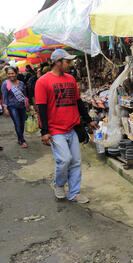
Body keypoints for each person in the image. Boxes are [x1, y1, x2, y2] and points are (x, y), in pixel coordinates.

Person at [35, 49, 99, 203]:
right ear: (57, 62)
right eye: (67, 62)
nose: (70, 64)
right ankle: (58, 184)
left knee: (76, 161)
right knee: (64, 160)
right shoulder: (42, 82)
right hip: (55, 129)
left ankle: (74, 193)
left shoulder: (70, 79)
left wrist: (88, 119)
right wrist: (44, 131)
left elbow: (78, 102)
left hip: (72, 127)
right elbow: (41, 108)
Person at [1, 66, 31, 148]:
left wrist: (28, 105)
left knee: (22, 124)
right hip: (12, 107)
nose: (11, 75)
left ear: (16, 73)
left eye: (12, 73)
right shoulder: (5, 84)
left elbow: (25, 95)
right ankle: (22, 140)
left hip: (22, 106)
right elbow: (4, 97)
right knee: (17, 123)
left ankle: (19, 138)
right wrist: (5, 108)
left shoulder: (21, 83)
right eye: (9, 74)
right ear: (7, 75)